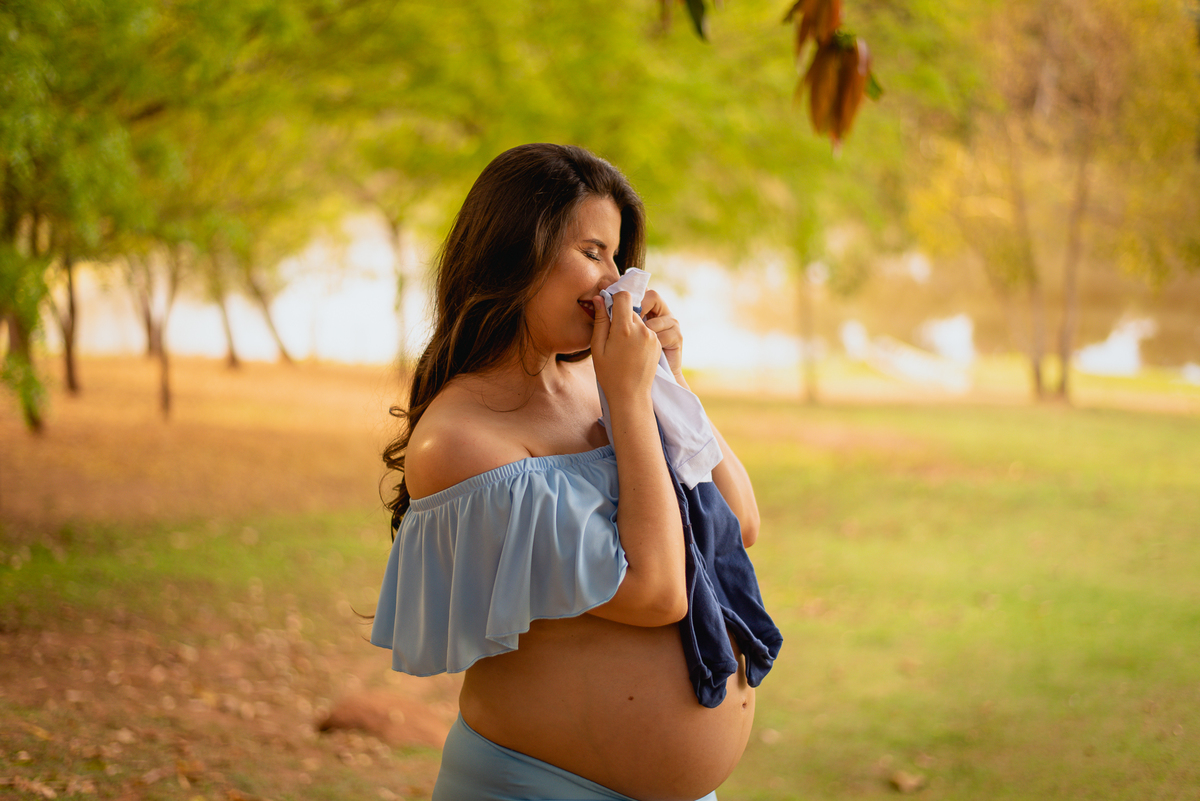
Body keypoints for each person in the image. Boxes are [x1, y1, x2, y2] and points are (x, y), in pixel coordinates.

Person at [372, 143, 764, 801]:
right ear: (517, 249)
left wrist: (668, 378)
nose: (612, 280)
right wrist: (633, 402)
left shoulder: (601, 380)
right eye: (592, 251)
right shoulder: (459, 440)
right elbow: (656, 591)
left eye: (616, 256)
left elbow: (739, 519)